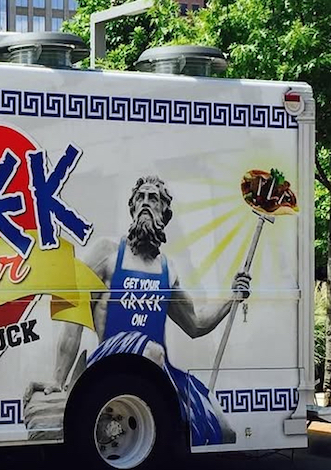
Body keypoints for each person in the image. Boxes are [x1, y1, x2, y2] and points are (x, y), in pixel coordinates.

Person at [24, 175, 250, 446]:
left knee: (220, 428)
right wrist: (58, 379)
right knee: (153, 350)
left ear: (164, 213)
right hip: (110, 363)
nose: (145, 203)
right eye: (139, 198)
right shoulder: (106, 252)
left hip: (153, 373)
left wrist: (232, 297)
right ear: (131, 209)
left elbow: (196, 324)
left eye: (153, 198)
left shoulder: (168, 270)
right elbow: (74, 312)